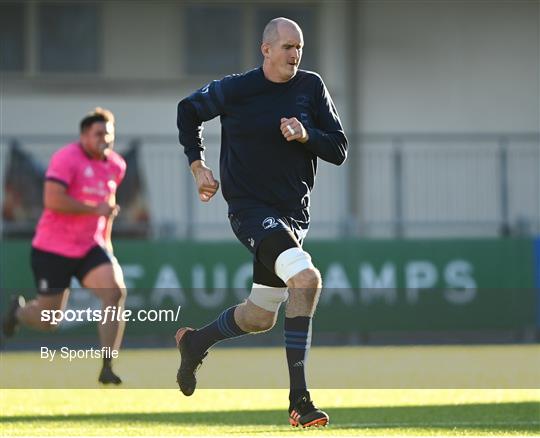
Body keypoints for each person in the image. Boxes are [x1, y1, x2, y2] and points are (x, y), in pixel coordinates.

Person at [175, 17, 347, 427]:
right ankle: (299, 399)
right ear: (265, 49)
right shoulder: (237, 88)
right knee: (306, 280)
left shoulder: (311, 87)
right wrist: (198, 166)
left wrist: (306, 134)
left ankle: (196, 342)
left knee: (260, 316)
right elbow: (188, 110)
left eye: (299, 48)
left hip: (293, 217)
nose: (295, 54)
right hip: (250, 211)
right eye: (287, 46)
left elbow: (339, 148)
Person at [2, 107, 127, 385]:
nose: (104, 139)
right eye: (98, 134)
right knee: (49, 322)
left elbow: (107, 209)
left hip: (90, 246)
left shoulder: (117, 165)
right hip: (52, 248)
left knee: (115, 293)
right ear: (83, 136)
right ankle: (19, 312)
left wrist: (106, 246)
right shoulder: (66, 158)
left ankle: (107, 366)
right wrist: (94, 209)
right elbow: (53, 200)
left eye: (109, 134)